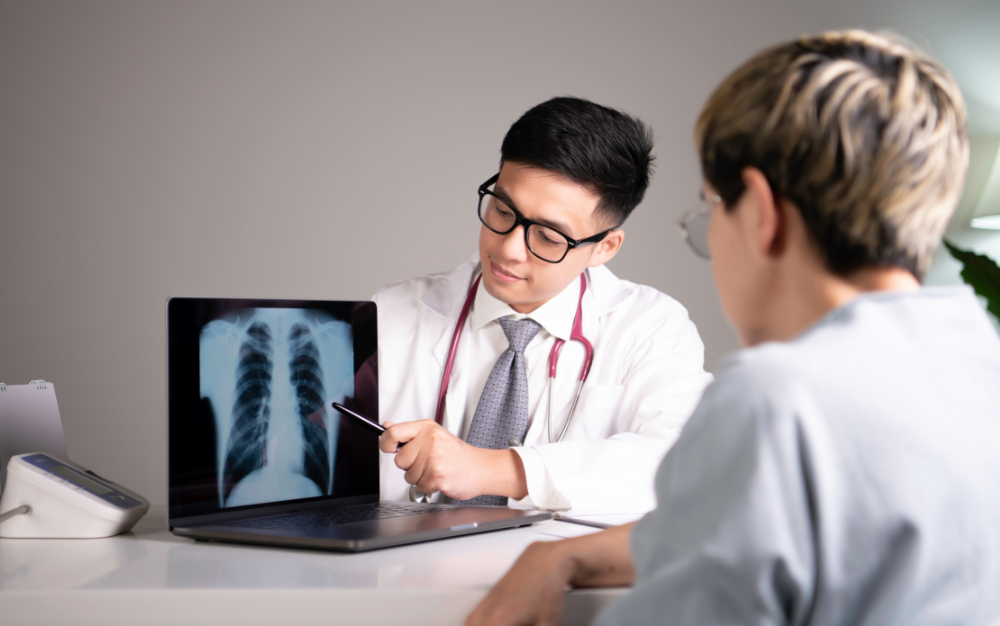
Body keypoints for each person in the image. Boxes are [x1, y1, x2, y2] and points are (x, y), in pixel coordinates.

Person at [466, 31, 1000, 625]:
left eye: (713, 208)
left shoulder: (778, 397)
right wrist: (564, 557)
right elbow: (729, 531)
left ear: (763, 215)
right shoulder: (977, 357)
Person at [373, 97, 712, 513]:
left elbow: (682, 464)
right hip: (402, 572)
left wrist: (496, 470)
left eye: (549, 238)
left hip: (560, 576)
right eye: (502, 210)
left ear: (605, 247)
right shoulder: (388, 314)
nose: (509, 249)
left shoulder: (651, 328)